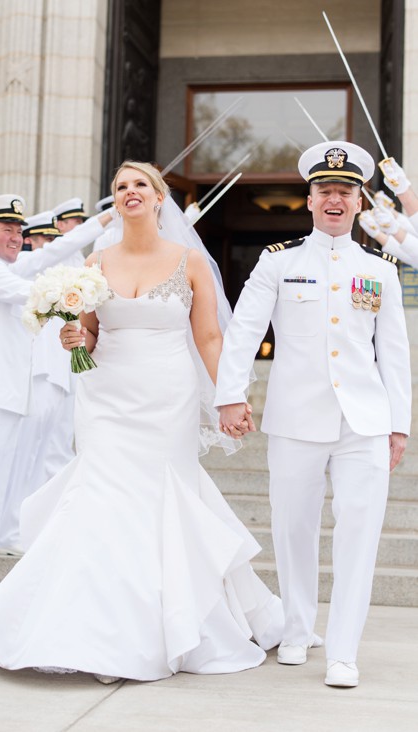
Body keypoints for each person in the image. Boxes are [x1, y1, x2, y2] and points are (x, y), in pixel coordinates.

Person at [0, 161, 283, 682]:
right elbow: (89, 336)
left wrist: (231, 396)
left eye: (141, 184)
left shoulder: (190, 262)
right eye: (121, 186)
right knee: (101, 501)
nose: (130, 191)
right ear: (114, 200)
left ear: (161, 198)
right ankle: (98, 635)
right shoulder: (95, 262)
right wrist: (73, 339)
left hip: (167, 396)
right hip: (105, 398)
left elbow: (208, 338)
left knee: (160, 502)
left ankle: (157, 631)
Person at [215, 141, 412, 688]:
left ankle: (344, 651)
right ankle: (299, 631)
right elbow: (244, 331)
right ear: (308, 199)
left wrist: (399, 424)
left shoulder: (380, 269)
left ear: (358, 202)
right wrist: (232, 393)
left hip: (364, 423)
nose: (334, 199)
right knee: (294, 528)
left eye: (344, 192)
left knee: (360, 532)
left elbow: (393, 352)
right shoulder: (279, 261)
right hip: (296, 419)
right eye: (324, 190)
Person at [0, 194, 116, 604]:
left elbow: (49, 254)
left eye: (19, 231)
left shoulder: (2, 265)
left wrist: (104, 220)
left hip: (4, 396)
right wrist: (81, 293)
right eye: (7, 230)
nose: (15, 237)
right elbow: (34, 294)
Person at [0, 211, 74, 557]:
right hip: (37, 372)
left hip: (61, 373)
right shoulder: (26, 265)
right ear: (32, 240)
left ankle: (37, 525)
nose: (52, 247)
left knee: (51, 453)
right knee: (25, 455)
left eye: (55, 240)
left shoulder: (62, 274)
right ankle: (9, 529)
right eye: (46, 240)